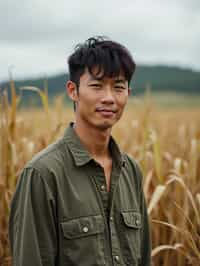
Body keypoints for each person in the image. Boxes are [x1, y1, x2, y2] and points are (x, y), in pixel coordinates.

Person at [9, 36, 151, 266]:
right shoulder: (43, 174)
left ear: (128, 93)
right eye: (96, 86)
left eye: (118, 87)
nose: (109, 98)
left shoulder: (130, 170)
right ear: (73, 91)